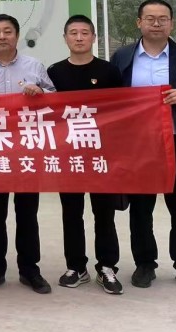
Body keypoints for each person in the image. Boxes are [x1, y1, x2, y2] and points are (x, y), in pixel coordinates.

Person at [110, 0, 176, 293]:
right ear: (139, 23)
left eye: (163, 18)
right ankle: (145, 264)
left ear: (171, 23)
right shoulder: (123, 57)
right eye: (150, 18)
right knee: (141, 208)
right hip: (138, 146)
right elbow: (110, 96)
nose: (156, 23)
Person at [0, 13, 55, 295]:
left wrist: (41, 92)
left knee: (27, 213)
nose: (2, 36)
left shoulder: (34, 66)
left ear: (17, 36)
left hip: (26, 150)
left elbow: (57, 100)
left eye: (7, 31)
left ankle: (29, 269)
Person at [47, 15, 125, 295]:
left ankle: (107, 266)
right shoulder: (54, 72)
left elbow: (123, 109)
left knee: (104, 213)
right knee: (72, 212)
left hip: (101, 154)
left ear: (94, 37)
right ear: (65, 38)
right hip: (68, 154)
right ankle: (76, 266)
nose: (79, 38)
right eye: (73, 33)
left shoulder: (109, 71)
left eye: (84, 33)